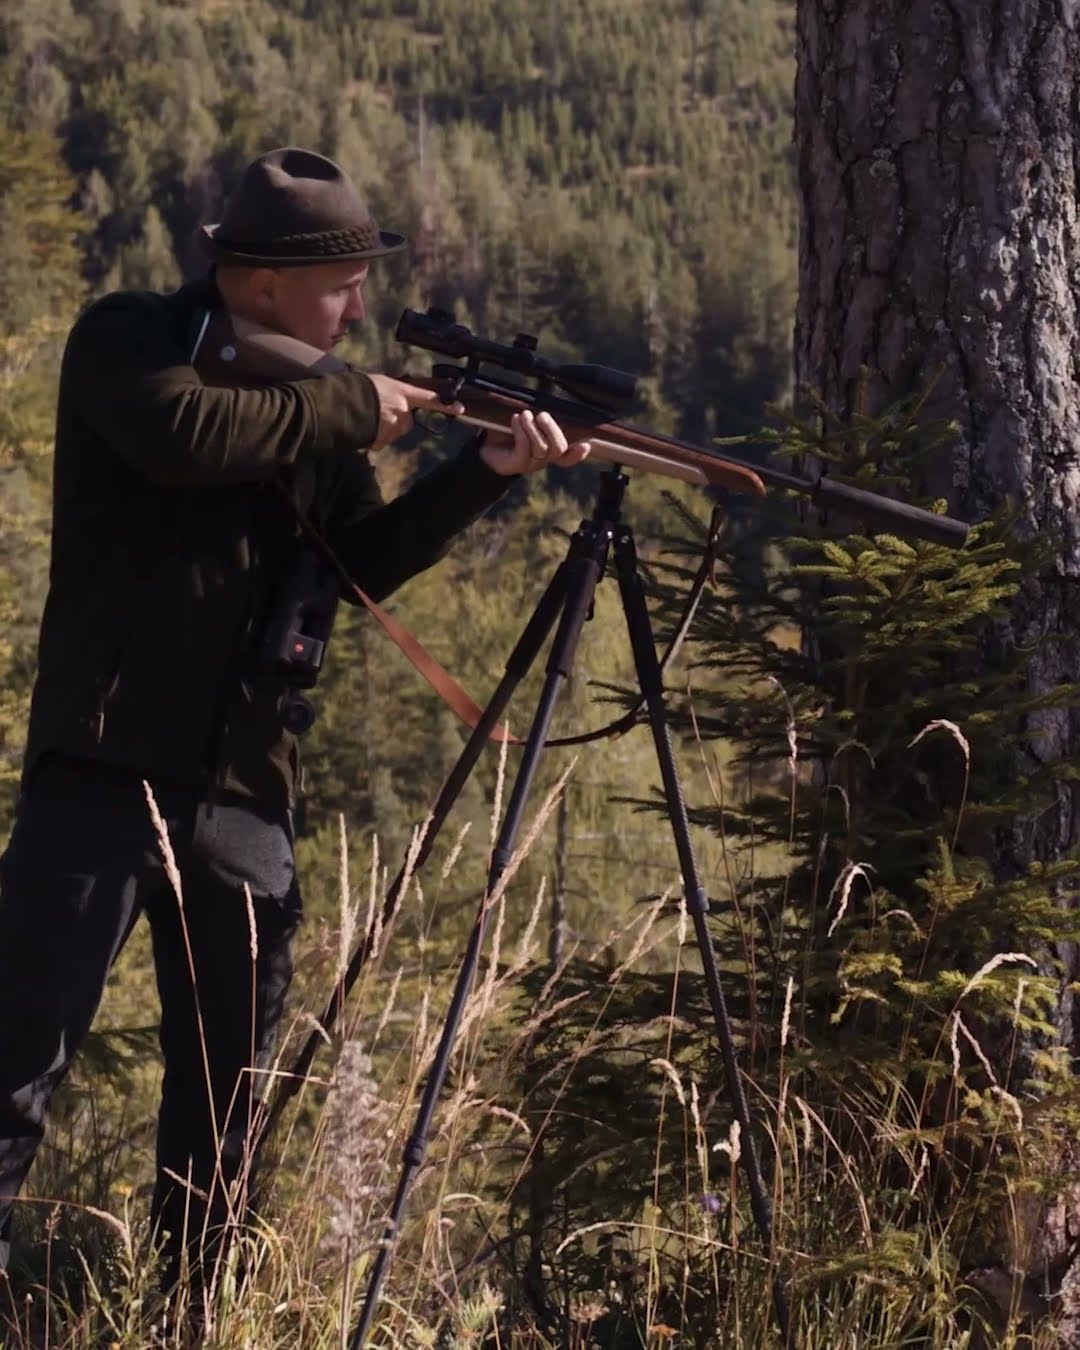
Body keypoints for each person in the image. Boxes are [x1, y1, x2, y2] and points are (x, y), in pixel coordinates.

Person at [0, 146, 588, 1314]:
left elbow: (358, 564)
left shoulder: (311, 398)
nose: (358, 306)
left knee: (226, 1107)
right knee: (14, 1071)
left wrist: (483, 471)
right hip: (100, 778)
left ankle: (191, 1316)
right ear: (260, 283)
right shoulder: (130, 340)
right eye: (339, 287)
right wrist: (351, 403)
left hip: (244, 796)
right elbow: (182, 437)